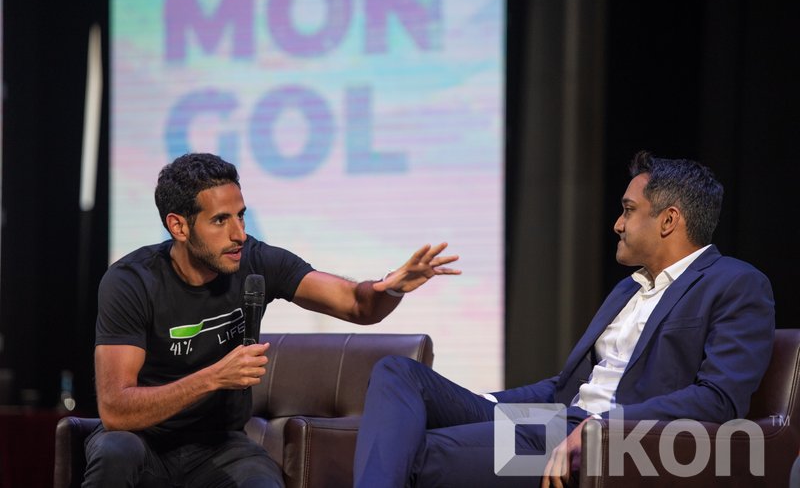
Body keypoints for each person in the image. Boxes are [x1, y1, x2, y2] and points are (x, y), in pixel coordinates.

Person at [353, 151, 775, 487]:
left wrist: (600, 428)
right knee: (397, 373)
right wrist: (484, 403)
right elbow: (565, 387)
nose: (617, 224)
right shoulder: (628, 289)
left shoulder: (735, 283)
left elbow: (718, 399)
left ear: (668, 220)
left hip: (608, 443)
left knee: (415, 452)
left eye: (628, 210)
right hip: (554, 422)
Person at [83, 152, 460, 487]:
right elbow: (116, 410)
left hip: (220, 444)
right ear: (179, 226)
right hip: (144, 441)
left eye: (240, 215)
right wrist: (214, 377)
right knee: (115, 451)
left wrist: (389, 289)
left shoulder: (256, 261)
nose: (239, 234)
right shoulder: (132, 282)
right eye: (220, 220)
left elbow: (356, 305)